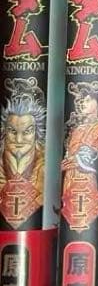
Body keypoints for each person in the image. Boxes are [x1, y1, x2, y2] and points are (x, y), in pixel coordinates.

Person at [60, 83, 98, 227]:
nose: (83, 104)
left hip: (84, 174)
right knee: (69, 208)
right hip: (70, 174)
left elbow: (88, 151)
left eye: (88, 100)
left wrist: (72, 160)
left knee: (84, 210)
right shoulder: (77, 128)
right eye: (82, 101)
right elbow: (69, 151)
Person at [0, 84, 46, 227]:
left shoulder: (45, 167)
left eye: (27, 132)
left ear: (36, 133)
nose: (19, 140)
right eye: (12, 131)